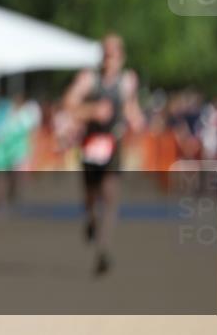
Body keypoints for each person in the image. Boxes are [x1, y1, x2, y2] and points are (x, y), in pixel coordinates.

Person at [60, 33, 145, 276]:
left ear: (122, 56)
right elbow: (68, 104)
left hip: (113, 143)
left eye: (115, 54)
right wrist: (91, 111)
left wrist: (136, 118)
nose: (110, 59)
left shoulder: (128, 81)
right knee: (90, 195)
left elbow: (129, 105)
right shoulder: (88, 79)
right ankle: (90, 220)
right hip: (90, 143)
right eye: (106, 53)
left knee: (110, 196)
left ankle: (103, 251)